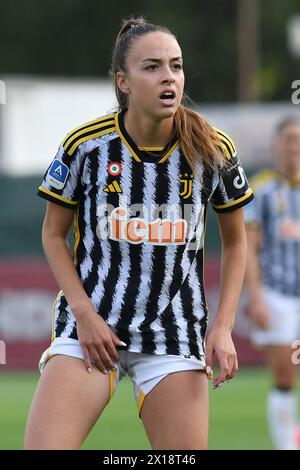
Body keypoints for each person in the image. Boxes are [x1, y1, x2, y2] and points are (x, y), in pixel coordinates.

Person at [24, 17, 253, 450]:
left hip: (174, 331)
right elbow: (53, 236)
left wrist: (222, 328)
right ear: (123, 82)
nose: (169, 76)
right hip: (91, 327)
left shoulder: (213, 147)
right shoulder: (86, 146)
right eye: (152, 67)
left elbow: (238, 242)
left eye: (176, 65)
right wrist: (85, 317)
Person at [244, 117, 300, 450]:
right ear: (277, 144)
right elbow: (249, 247)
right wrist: (257, 297)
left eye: (298, 139)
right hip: (277, 294)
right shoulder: (261, 188)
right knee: (283, 374)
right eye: (289, 139)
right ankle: (286, 446)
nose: (294, 146)